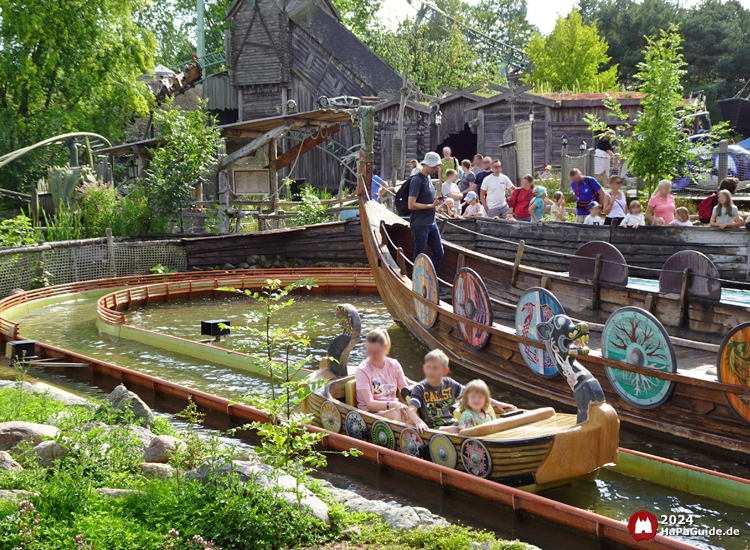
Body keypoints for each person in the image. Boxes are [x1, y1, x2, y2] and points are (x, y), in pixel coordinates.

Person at [406, 350, 515, 434]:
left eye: (435, 368)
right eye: (428, 368)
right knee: (458, 430)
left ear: (445, 371)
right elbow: (411, 409)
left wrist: (498, 404)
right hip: (432, 428)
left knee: (473, 425)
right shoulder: (420, 388)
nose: (431, 371)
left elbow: (474, 393)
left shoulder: (449, 383)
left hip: (454, 422)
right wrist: (418, 422)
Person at [355, 329, 409, 422]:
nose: (372, 356)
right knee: (400, 414)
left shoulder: (394, 365)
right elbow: (369, 403)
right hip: (371, 414)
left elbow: (406, 392)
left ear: (385, 347)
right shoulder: (362, 370)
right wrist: (393, 405)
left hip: (392, 410)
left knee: (413, 414)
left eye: (375, 352)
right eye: (369, 351)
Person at [409, 152, 444, 271]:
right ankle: (417, 285)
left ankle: (430, 282)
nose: (436, 168)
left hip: (431, 222)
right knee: (420, 255)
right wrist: (431, 206)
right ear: (427, 165)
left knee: (439, 252)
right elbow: (411, 204)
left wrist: (435, 206)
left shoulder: (428, 178)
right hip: (420, 224)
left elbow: (426, 200)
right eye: (435, 166)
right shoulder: (417, 180)